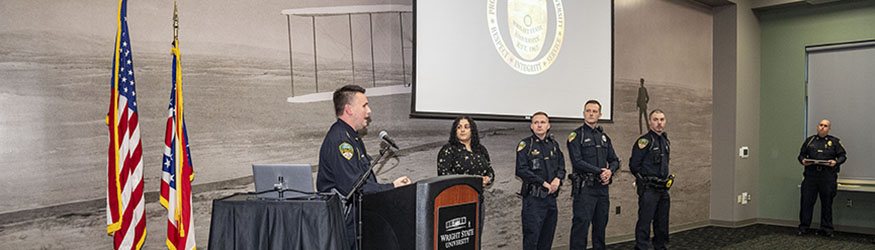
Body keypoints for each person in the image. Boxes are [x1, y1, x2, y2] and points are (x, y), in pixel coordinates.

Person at [316, 84, 411, 249]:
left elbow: (363, 182)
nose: (369, 111)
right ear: (349, 109)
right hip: (344, 223)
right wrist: (392, 187)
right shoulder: (341, 140)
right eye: (364, 105)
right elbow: (353, 187)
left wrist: (390, 188)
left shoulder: (352, 137)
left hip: (356, 218)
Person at [567, 100, 619, 250]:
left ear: (600, 114)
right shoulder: (576, 136)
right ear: (583, 113)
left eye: (594, 111)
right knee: (581, 226)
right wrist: (600, 171)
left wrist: (610, 171)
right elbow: (577, 162)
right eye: (588, 111)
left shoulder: (604, 137)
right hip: (585, 190)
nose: (591, 113)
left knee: (600, 226)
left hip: (602, 189)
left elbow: (614, 160)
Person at [516, 111, 565, 250]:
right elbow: (521, 170)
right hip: (534, 200)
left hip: (551, 199)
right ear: (531, 126)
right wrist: (542, 182)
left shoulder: (554, 145)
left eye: (542, 122)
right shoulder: (526, 145)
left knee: (547, 237)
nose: (539, 125)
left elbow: (562, 166)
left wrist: (558, 179)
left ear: (548, 126)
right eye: (536, 122)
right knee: (532, 238)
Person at [629, 109, 671, 250]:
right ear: (649, 121)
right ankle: (641, 247)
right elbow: (634, 165)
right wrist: (644, 180)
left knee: (662, 222)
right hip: (649, 189)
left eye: (661, 119)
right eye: (655, 119)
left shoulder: (665, 141)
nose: (659, 123)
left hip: (663, 189)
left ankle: (660, 246)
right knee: (645, 222)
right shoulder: (644, 141)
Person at [797, 119, 846, 238]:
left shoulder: (834, 142)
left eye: (825, 126)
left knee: (827, 203)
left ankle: (827, 228)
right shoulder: (810, 141)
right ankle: (804, 227)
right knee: (806, 202)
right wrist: (803, 161)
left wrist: (835, 162)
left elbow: (843, 156)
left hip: (827, 176)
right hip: (811, 176)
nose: (822, 127)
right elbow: (801, 155)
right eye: (821, 125)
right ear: (817, 127)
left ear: (829, 129)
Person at [437, 116, 495, 186]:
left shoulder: (481, 149)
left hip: (478, 194)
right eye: (459, 127)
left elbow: (489, 170)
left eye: (466, 127)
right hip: (455, 194)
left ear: (472, 130)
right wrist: (472, 181)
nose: (462, 130)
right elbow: (444, 176)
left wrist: (488, 179)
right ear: (455, 131)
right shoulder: (448, 150)